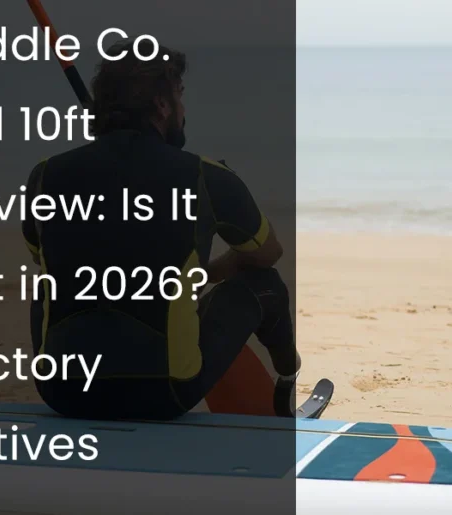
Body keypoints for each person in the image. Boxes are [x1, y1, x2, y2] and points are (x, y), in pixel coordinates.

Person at [21, 41, 300, 420]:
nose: (184, 110)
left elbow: (46, 255)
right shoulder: (206, 176)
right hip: (161, 393)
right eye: (180, 96)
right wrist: (211, 269)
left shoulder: (44, 176)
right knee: (265, 283)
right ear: (162, 105)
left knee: (48, 284)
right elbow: (267, 252)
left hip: (64, 391)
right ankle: (288, 379)